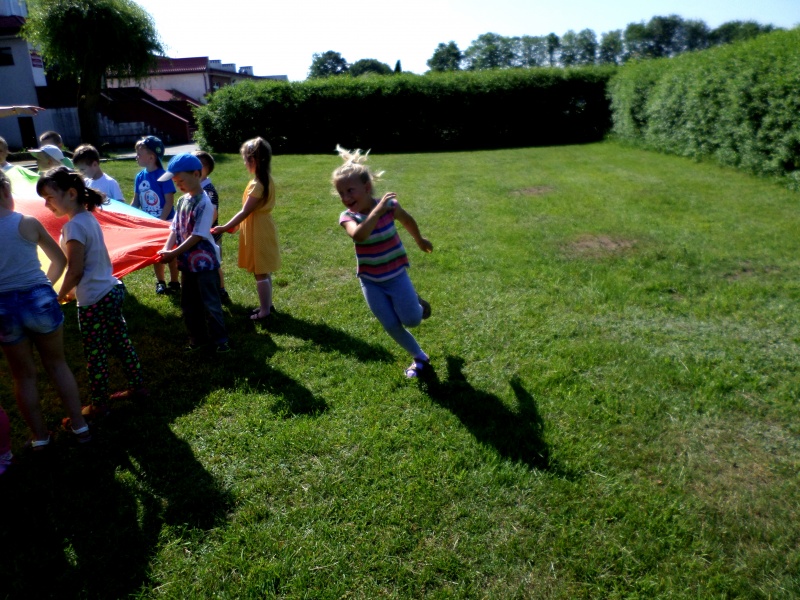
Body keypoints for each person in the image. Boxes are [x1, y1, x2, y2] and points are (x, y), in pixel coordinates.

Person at [36, 167, 146, 415]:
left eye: (49, 198)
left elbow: (75, 271)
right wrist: (72, 292)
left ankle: (99, 404)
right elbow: (90, 264)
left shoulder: (73, 227)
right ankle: (138, 387)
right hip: (110, 290)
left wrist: (57, 296)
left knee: (95, 353)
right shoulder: (87, 218)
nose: (46, 204)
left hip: (94, 300)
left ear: (71, 193)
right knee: (121, 343)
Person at [0, 170, 90, 463]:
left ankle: (39, 437)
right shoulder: (27, 222)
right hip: (39, 300)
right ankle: (80, 426)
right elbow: (60, 260)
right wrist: (45, 289)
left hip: (3, 309)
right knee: (57, 364)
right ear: (6, 193)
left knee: (22, 375)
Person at [332, 145, 434, 379]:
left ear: (367, 188)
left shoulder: (389, 207)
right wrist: (376, 212)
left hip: (396, 275)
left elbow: (407, 220)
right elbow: (359, 235)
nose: (346, 198)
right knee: (390, 324)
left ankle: (418, 305)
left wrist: (420, 240)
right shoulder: (348, 217)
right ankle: (419, 357)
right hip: (370, 281)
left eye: (350, 191)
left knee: (412, 320)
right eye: (341, 193)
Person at [157, 154, 229, 353]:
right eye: (175, 182)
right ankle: (197, 339)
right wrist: (167, 248)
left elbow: (198, 234)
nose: (178, 185)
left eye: (181, 180)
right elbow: (174, 228)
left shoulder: (205, 203)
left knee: (210, 303)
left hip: (205, 264)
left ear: (196, 174)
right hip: (187, 264)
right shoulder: (182, 201)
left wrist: (174, 252)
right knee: (189, 304)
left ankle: (221, 341)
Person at [212, 137, 280, 321]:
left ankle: (265, 311)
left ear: (254, 160)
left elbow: (245, 211)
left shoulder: (258, 184)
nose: (244, 163)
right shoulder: (263, 180)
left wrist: (225, 227)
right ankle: (267, 305)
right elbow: (248, 212)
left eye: (245, 159)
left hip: (259, 231)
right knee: (263, 270)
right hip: (261, 226)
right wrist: (236, 226)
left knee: (260, 272)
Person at [131, 136, 179, 295]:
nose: (136, 156)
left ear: (151, 157)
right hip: (150, 224)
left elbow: (169, 202)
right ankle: (161, 282)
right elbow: (136, 200)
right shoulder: (140, 177)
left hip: (166, 223)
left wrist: (160, 222)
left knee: (170, 253)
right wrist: (129, 216)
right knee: (156, 253)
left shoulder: (164, 176)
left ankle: (174, 281)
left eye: (139, 154)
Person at [194, 150, 230, 303]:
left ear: (202, 169)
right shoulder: (198, 188)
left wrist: (202, 228)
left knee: (215, 263)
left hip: (210, 235)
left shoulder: (208, 190)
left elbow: (213, 213)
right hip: (202, 234)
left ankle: (221, 290)